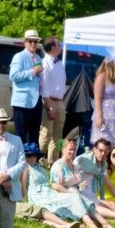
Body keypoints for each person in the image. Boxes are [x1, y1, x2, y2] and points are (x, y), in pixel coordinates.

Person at [50, 137, 115, 228]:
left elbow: (77, 185)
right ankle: (91, 223)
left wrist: (81, 185)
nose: (72, 152)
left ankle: (105, 224)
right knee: (79, 198)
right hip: (63, 196)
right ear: (63, 149)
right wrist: (71, 194)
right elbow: (55, 185)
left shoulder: (74, 166)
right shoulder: (58, 165)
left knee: (88, 203)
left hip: (76, 195)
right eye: (70, 150)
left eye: (74, 150)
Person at [18, 143, 83, 228]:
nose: (32, 157)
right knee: (58, 203)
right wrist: (24, 198)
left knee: (71, 197)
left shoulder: (39, 166)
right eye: (29, 155)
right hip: (36, 194)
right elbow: (23, 184)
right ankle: (68, 223)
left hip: (47, 191)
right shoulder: (26, 166)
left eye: (34, 155)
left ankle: (83, 217)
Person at [74, 138, 115, 223]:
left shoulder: (103, 164)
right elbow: (72, 182)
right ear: (94, 149)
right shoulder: (81, 160)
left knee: (110, 205)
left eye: (105, 151)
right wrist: (80, 185)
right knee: (96, 206)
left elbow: (110, 188)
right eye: (100, 150)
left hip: (93, 197)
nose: (103, 153)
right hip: (80, 197)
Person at [9, 30, 44, 145]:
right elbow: (13, 76)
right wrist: (32, 72)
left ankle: (32, 160)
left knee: (34, 135)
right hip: (22, 102)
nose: (33, 44)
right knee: (21, 135)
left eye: (35, 41)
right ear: (25, 42)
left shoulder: (38, 58)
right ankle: (20, 160)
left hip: (36, 101)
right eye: (30, 41)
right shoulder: (19, 57)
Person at [38, 37, 66, 165]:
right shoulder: (44, 63)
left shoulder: (59, 63)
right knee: (46, 133)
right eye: (59, 44)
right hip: (49, 101)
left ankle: (53, 161)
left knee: (58, 135)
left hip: (60, 101)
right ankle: (38, 158)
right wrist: (50, 107)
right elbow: (44, 87)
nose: (60, 46)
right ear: (53, 47)